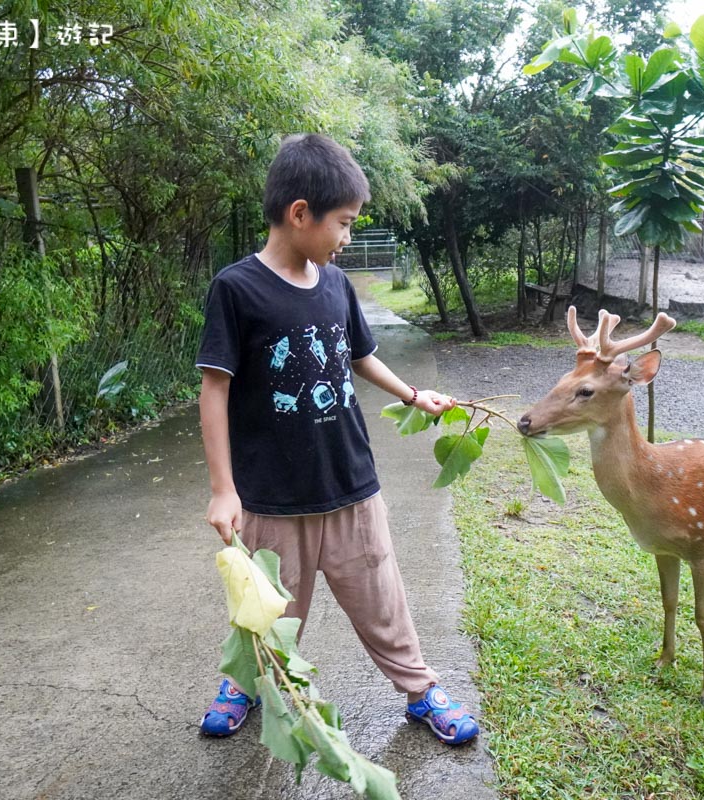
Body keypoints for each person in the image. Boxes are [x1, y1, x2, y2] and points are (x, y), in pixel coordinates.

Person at [194, 133, 479, 745]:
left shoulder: (335, 284)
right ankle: (244, 683)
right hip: (271, 496)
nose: (347, 237)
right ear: (301, 214)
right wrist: (224, 489)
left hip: (351, 483)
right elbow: (214, 389)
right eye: (343, 224)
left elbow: (359, 355)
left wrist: (412, 395)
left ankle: (420, 689)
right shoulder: (237, 289)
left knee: (382, 598)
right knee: (269, 610)